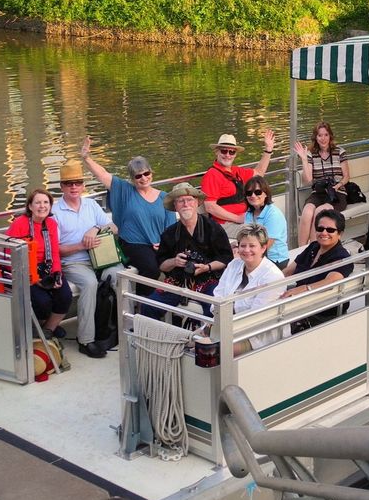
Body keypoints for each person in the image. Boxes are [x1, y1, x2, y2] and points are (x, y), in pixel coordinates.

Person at [81, 136, 174, 281]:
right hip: (134, 244)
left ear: (151, 173)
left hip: (159, 244)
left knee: (176, 265)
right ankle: (143, 302)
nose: (143, 178)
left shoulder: (164, 197)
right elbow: (103, 175)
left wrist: (164, 244)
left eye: (146, 173)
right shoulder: (125, 191)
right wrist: (86, 157)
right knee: (152, 270)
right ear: (132, 179)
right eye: (138, 176)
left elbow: (171, 227)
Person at [51, 159, 116, 358]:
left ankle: (121, 328)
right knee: (89, 283)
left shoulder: (91, 205)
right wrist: (81, 245)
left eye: (77, 182)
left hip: (100, 257)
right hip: (73, 261)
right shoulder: (54, 211)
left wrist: (95, 228)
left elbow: (113, 227)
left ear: (83, 185)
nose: (74, 187)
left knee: (120, 275)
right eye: (69, 183)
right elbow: (56, 250)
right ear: (62, 186)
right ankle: (86, 340)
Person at [155, 182, 233, 317]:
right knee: (149, 306)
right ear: (175, 206)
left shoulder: (212, 228)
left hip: (209, 280)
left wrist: (207, 267)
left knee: (215, 310)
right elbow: (161, 265)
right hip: (178, 283)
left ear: (197, 203)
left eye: (190, 200)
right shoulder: (169, 233)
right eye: (180, 201)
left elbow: (226, 258)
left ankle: (209, 338)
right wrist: (174, 261)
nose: (186, 204)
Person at [6, 188, 73, 341]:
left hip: (47, 267)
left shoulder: (51, 223)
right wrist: (36, 280)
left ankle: (48, 329)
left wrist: (57, 274)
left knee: (65, 296)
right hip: (25, 269)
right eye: (37, 203)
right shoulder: (19, 224)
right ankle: (44, 328)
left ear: (50, 205)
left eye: (46, 202)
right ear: (30, 206)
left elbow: (55, 252)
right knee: (42, 302)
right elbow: (10, 254)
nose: (42, 206)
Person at [212, 224, 287, 355]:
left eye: (252, 246)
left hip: (256, 336)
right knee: (189, 342)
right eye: (242, 245)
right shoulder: (233, 265)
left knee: (211, 351)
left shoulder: (272, 276)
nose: (246, 250)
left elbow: (255, 319)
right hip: (225, 326)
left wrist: (221, 326)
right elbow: (217, 297)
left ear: (263, 248)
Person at [283, 209, 353, 331]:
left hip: (319, 312)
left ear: (340, 234)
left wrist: (304, 289)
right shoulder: (313, 247)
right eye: (320, 229)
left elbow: (330, 282)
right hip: (297, 301)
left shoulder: (342, 257)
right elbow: (288, 271)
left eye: (330, 230)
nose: (324, 233)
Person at [293, 122, 351, 245]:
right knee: (307, 211)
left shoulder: (339, 152)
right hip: (318, 193)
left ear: (330, 136)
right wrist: (303, 159)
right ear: (316, 137)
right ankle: (302, 250)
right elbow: (307, 179)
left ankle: (315, 249)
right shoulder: (311, 154)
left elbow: (346, 176)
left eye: (326, 135)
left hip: (337, 193)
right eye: (320, 135)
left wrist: (338, 185)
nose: (323, 138)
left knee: (319, 212)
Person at [202, 130, 276, 226]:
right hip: (226, 224)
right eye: (224, 151)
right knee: (261, 234)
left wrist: (268, 150)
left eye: (231, 152)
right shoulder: (212, 175)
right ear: (217, 152)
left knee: (273, 221)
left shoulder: (236, 171)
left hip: (245, 218)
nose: (228, 155)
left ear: (235, 154)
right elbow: (210, 207)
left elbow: (259, 173)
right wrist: (238, 219)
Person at [243, 175, 289, 267]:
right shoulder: (249, 213)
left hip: (274, 260)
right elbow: (246, 237)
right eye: (249, 193)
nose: (253, 196)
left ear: (266, 194)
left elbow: (267, 244)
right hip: (255, 255)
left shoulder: (273, 214)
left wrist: (244, 255)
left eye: (258, 192)